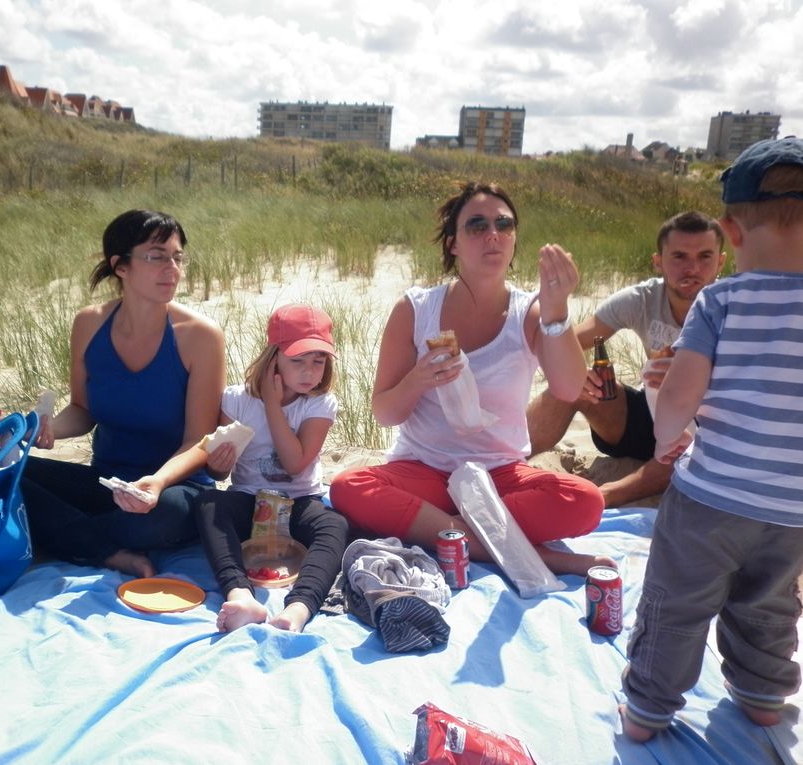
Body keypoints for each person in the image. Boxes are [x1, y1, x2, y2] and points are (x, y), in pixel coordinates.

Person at [620, 136, 803, 741]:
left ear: (731, 231)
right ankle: (762, 695)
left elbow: (678, 397)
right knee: (770, 603)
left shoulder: (721, 301)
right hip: (792, 507)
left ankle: (648, 710)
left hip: (711, 497)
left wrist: (669, 442)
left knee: (676, 604)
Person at [329, 181, 610, 576]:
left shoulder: (529, 311)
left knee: (585, 501)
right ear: (453, 244)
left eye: (504, 224)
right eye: (476, 226)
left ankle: (447, 535)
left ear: (514, 240)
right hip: (424, 470)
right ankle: (524, 553)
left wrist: (557, 311)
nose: (493, 235)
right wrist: (418, 380)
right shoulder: (415, 309)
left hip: (498, 475)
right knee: (347, 487)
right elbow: (385, 412)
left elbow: (567, 388)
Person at [20, 209, 225, 577]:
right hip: (107, 482)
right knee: (8, 474)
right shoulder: (89, 323)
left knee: (161, 520)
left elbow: (200, 440)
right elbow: (82, 410)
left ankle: (72, 536)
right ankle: (107, 550)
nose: (172, 269)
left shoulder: (200, 336)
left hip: (174, 489)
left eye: (177, 258)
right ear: (121, 266)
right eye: (156, 256)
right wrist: (42, 428)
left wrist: (157, 482)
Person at [525, 210, 727, 506]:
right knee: (572, 388)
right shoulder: (642, 299)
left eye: (705, 257)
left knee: (688, 446)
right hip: (649, 415)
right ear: (658, 261)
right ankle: (502, 462)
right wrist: (572, 368)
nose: (692, 268)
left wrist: (694, 377)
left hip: (707, 428)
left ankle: (601, 497)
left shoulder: (736, 308)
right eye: (679, 257)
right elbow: (566, 341)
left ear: (721, 261)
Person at [196, 304, 347, 633]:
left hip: (299, 501)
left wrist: (272, 403)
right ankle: (240, 595)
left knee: (335, 525)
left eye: (318, 361)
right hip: (249, 498)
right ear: (273, 357)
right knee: (209, 503)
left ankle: (299, 608)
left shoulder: (320, 404)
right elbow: (220, 474)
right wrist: (219, 466)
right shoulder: (235, 399)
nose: (309, 372)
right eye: (298, 361)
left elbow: (295, 464)